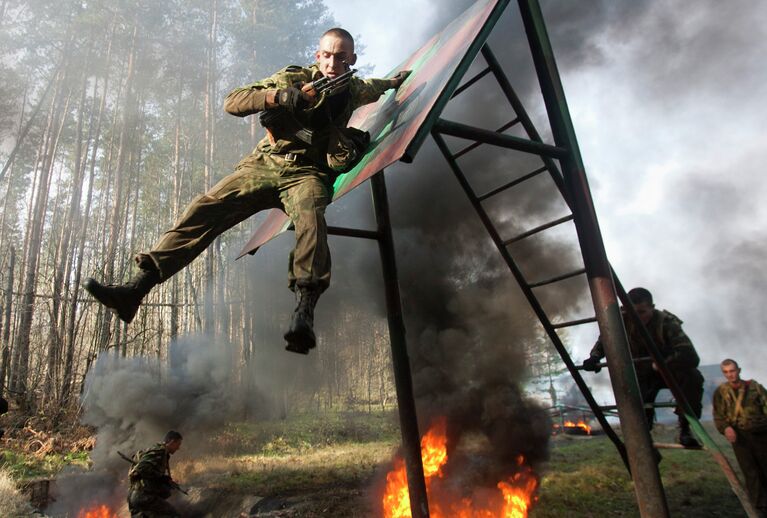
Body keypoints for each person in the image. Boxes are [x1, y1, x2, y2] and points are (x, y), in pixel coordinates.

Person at [84, 28, 411, 354]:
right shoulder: (294, 77)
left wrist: (393, 83)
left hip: (306, 173)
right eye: (327, 55)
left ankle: (304, 311)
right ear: (317, 55)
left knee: (311, 218)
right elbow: (233, 101)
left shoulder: (351, 89)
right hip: (265, 164)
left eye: (341, 57)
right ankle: (135, 291)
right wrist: (281, 97)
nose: (332, 63)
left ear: (351, 59)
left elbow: (373, 86)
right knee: (207, 207)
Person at [581, 287, 704, 447]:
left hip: (666, 370)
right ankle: (643, 438)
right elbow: (605, 339)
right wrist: (595, 357)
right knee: (639, 411)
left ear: (652, 308)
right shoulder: (620, 320)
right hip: (639, 374)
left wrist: (663, 364)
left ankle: (686, 429)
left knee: (692, 377)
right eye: (632, 312)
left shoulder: (665, 323)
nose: (637, 318)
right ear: (625, 309)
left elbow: (690, 355)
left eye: (642, 312)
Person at [713, 359, 767, 516]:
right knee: (750, 473)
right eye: (726, 372)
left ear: (739, 370)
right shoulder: (721, 393)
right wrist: (726, 428)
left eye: (732, 370)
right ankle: (760, 509)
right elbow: (718, 416)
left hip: (762, 435)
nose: (730, 374)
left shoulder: (755, 387)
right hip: (740, 438)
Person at [127, 430, 183, 518]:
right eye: (178, 444)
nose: (178, 448)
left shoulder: (154, 450)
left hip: (134, 496)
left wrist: (165, 480)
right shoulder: (159, 452)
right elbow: (142, 468)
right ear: (172, 442)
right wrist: (161, 478)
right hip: (143, 495)